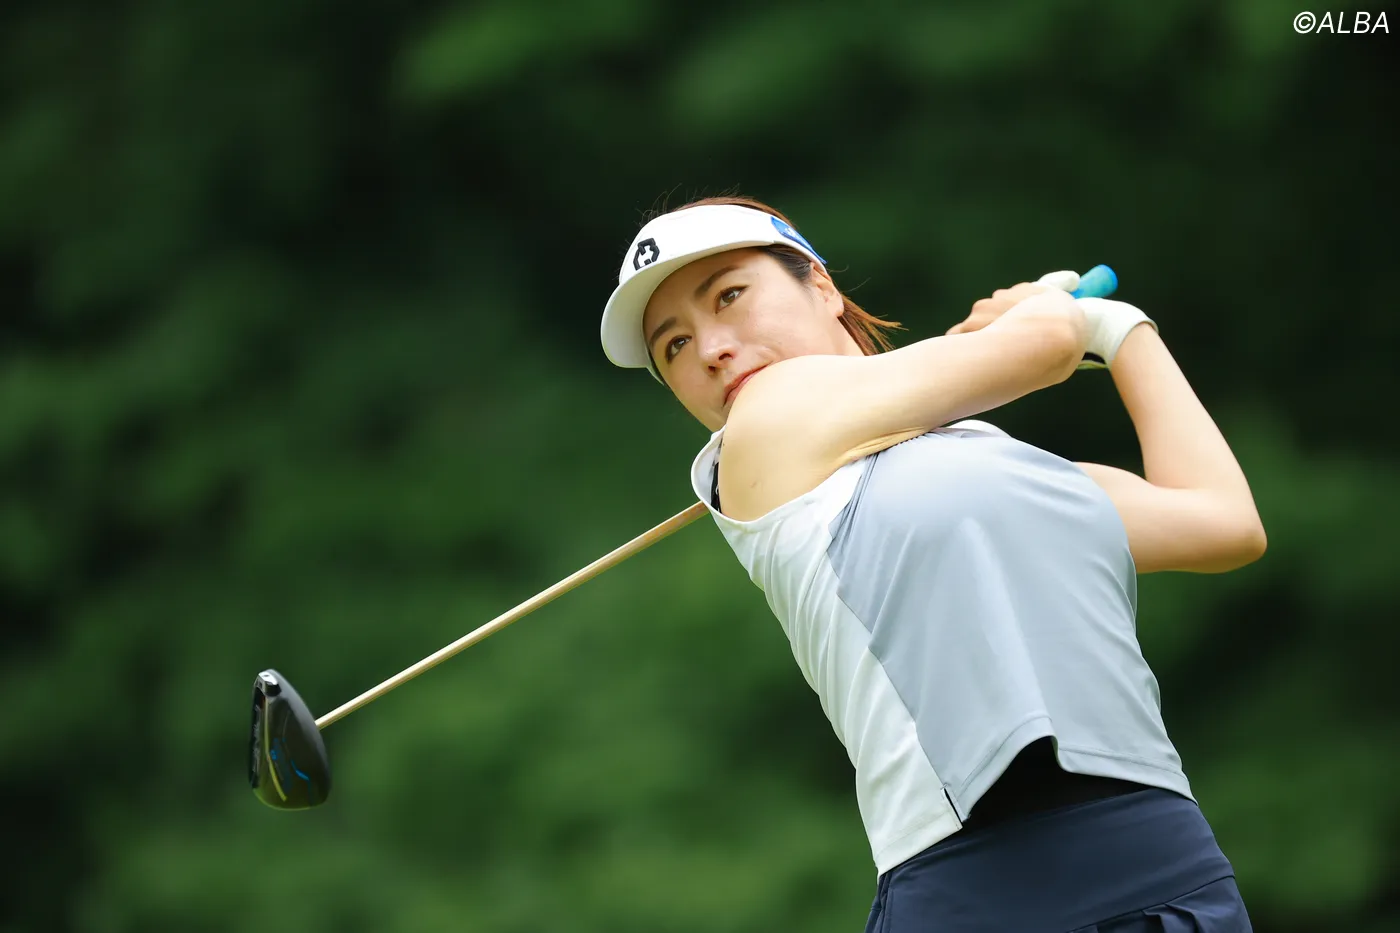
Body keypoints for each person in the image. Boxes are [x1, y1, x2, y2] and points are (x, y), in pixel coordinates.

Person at [598, 194, 1265, 932]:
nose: (711, 348)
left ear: (821, 285)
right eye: (674, 346)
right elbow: (1045, 343)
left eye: (728, 296)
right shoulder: (761, 428)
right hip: (972, 885)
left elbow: (1223, 522)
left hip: (1166, 860)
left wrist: (1123, 330)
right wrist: (1041, 312)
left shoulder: (1002, 462)